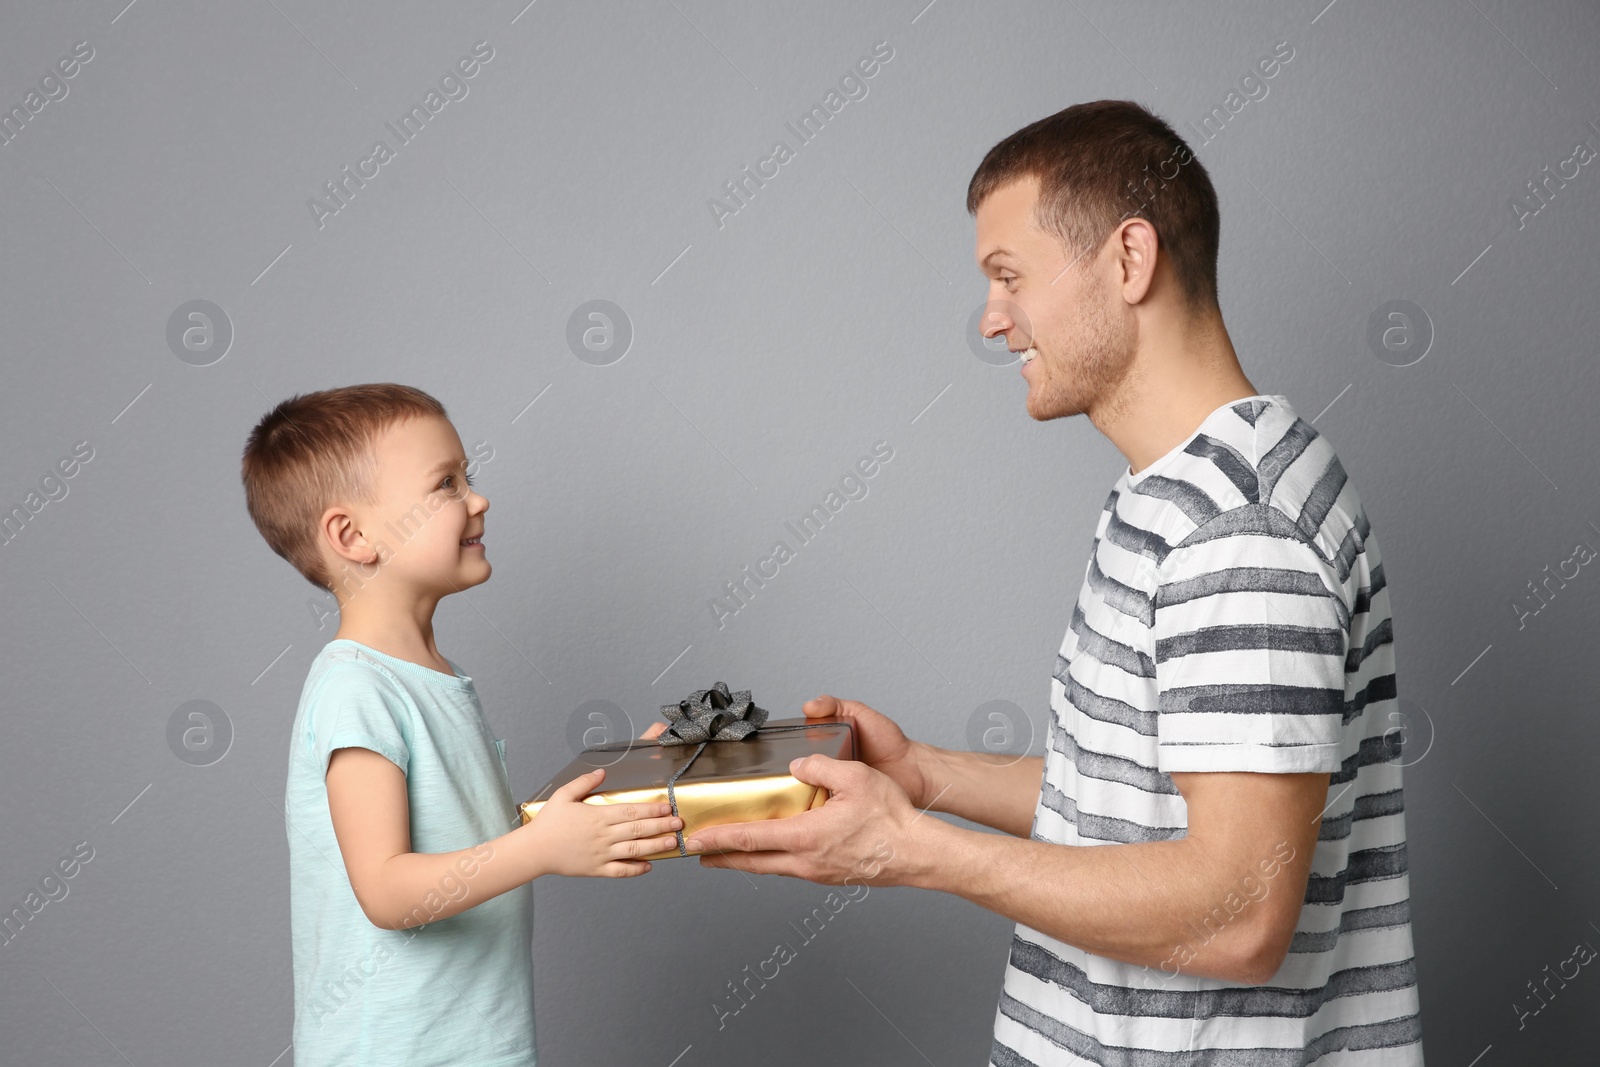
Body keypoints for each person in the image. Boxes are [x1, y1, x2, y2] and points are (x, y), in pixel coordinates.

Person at [681, 101, 1424, 1064]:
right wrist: (926, 777)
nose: (991, 321)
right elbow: (1135, 813)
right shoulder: (1172, 496)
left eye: (1008, 277)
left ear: (1128, 259)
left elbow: (1241, 914)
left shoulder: (1241, 532)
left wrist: (915, 850)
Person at [241, 383, 683, 1066]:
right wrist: (540, 849)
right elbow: (387, 889)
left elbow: (462, 835)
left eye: (467, 476)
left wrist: (577, 814)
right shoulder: (356, 688)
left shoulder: (434, 676)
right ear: (352, 535)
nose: (477, 498)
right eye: (445, 483)